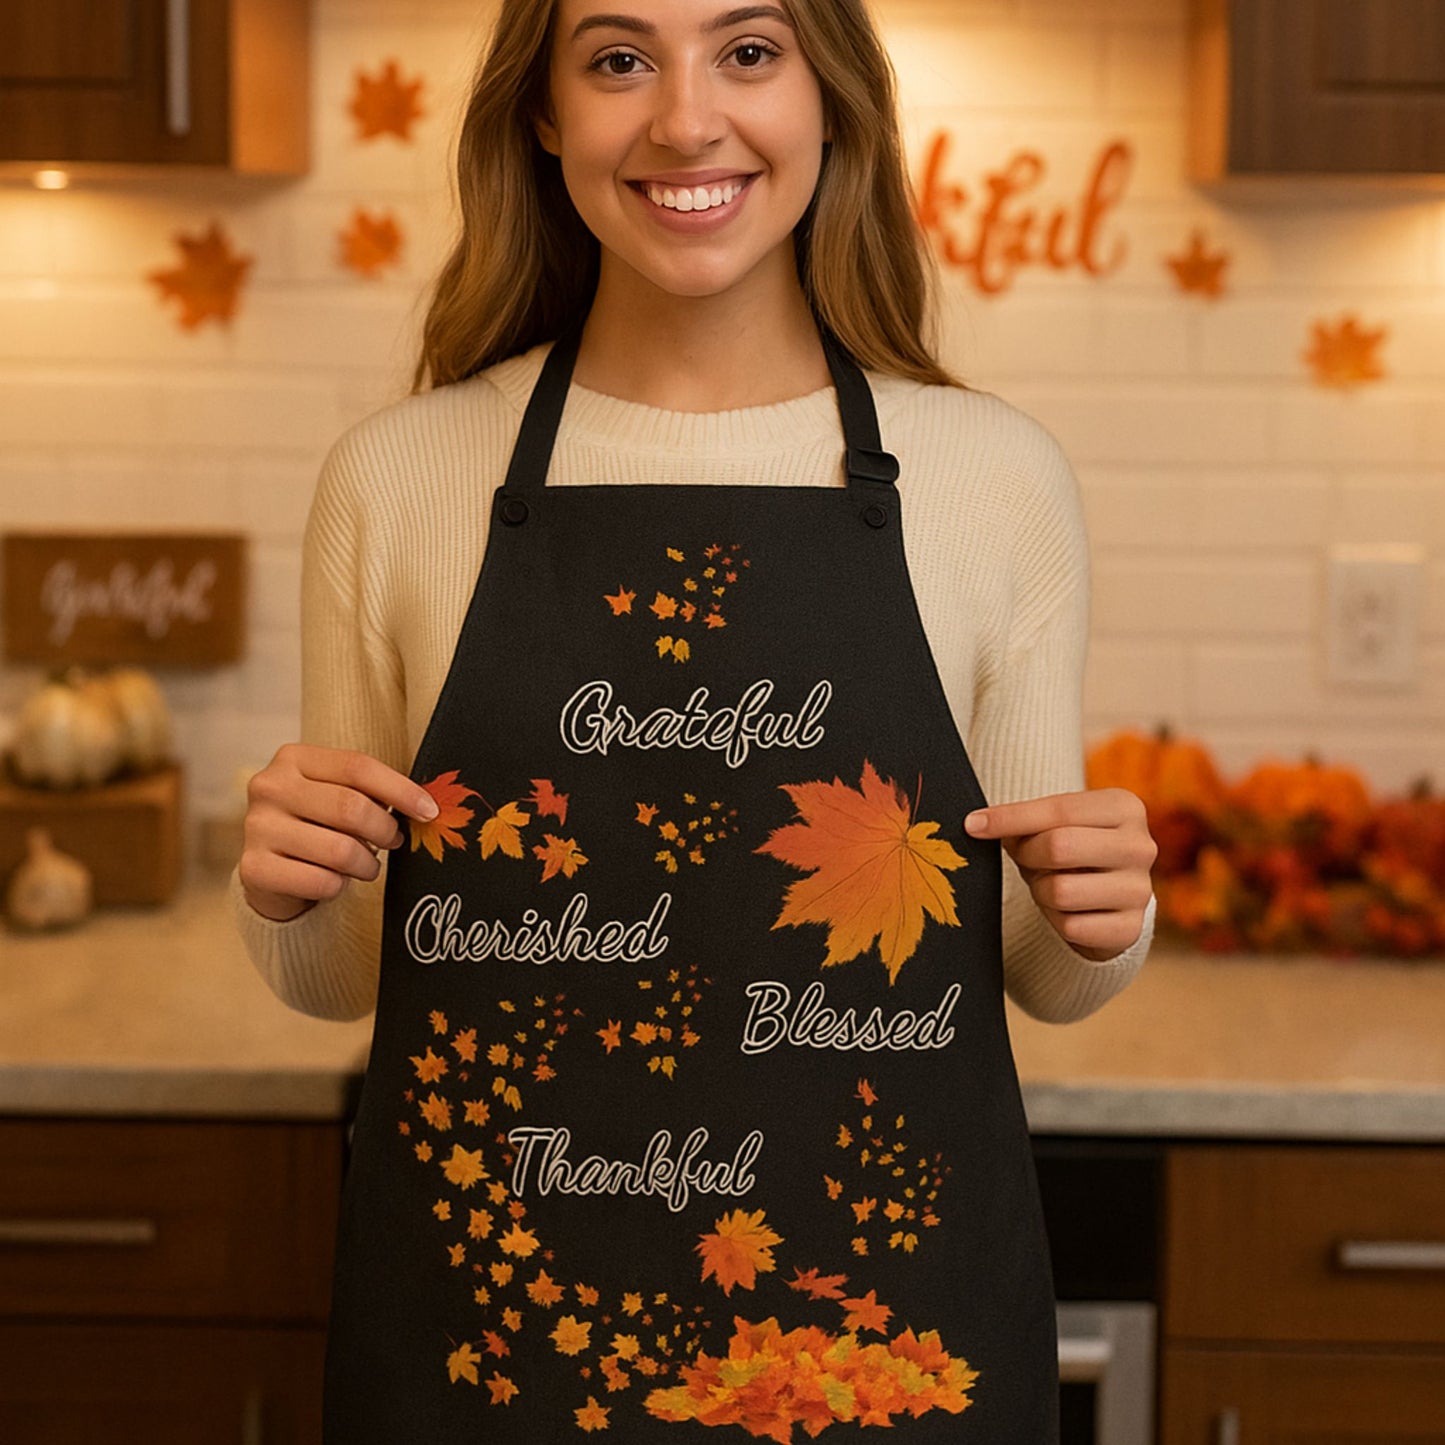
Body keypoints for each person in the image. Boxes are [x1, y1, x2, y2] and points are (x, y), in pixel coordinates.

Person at [234, 0, 1157, 1439]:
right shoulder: (402, 474)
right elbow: (339, 976)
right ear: (542, 114)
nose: (682, 117)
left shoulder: (991, 477)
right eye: (617, 60)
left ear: (828, 98)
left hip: (874, 1356)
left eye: (746, 50)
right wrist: (288, 881)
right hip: (504, 1355)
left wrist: (1106, 912)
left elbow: (1043, 973)